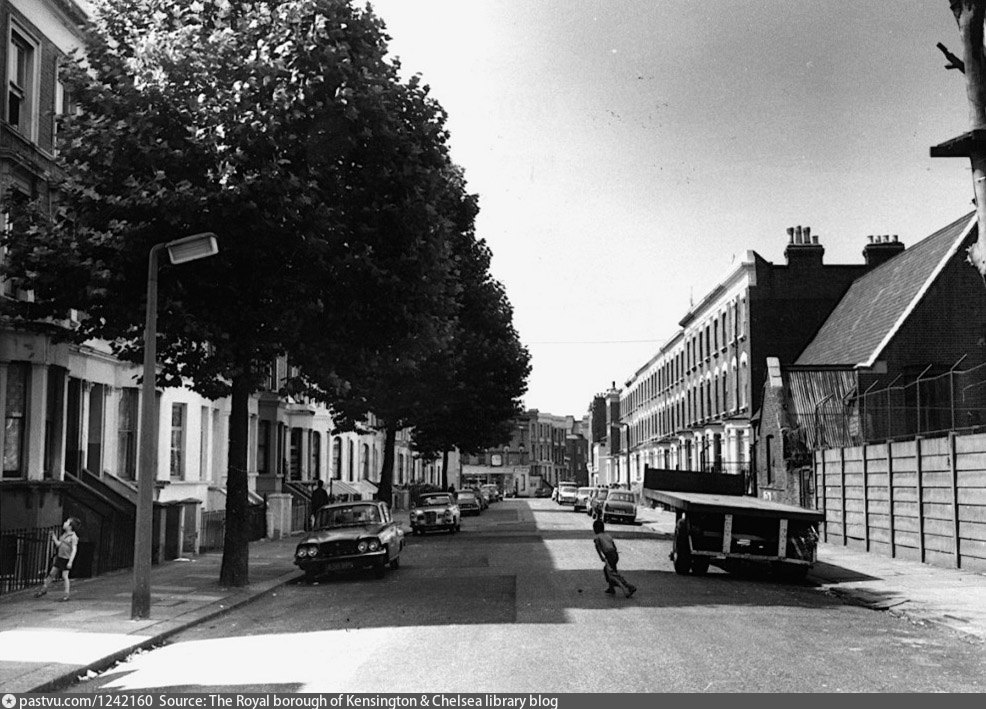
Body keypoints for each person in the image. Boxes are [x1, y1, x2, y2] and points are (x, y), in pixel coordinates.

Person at [35, 517, 79, 602]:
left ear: (70, 526)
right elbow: (59, 544)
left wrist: (70, 561)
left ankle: (66, 595)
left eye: (67, 522)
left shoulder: (73, 537)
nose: (64, 523)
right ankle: (43, 589)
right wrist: (54, 537)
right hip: (60, 557)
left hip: (66, 559)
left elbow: (74, 549)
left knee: (64, 576)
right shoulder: (64, 535)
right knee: (51, 574)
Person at [593, 519, 636, 598]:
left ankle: (628, 587)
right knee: (610, 571)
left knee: (612, 575)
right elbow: (614, 546)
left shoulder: (597, 537)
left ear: (595, 529)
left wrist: (602, 557)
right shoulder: (607, 535)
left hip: (609, 556)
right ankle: (611, 588)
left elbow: (597, 547)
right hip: (615, 555)